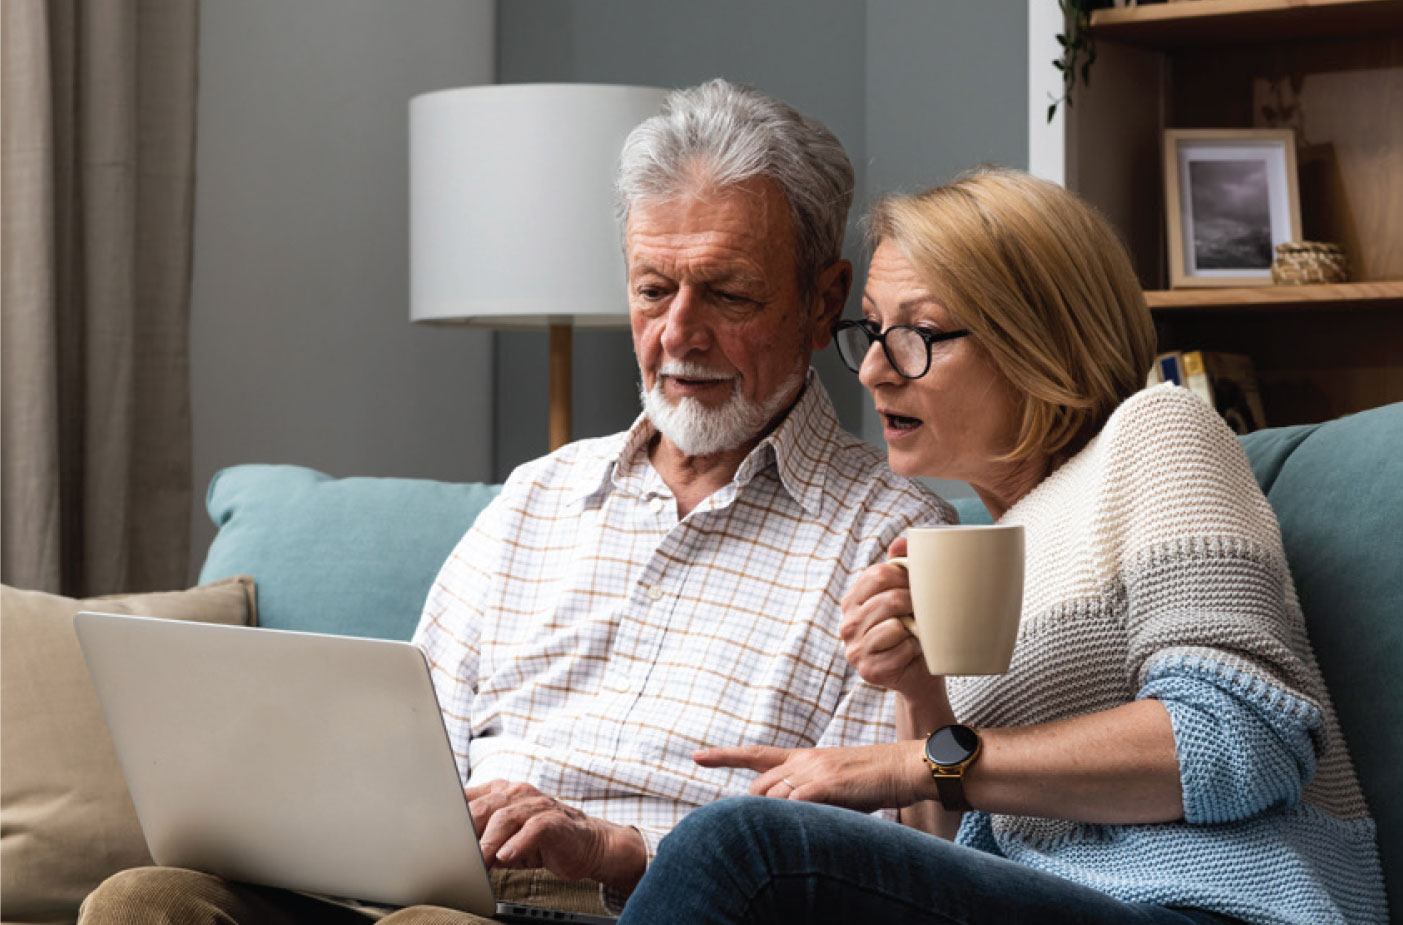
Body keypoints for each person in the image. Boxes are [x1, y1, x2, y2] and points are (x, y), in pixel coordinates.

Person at [78, 80, 952, 925]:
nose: (678, 333)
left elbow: (853, 858)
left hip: (637, 903)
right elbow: (407, 751)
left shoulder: (888, 536)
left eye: (726, 293)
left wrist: (616, 850)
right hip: (434, 884)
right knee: (143, 902)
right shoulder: (541, 495)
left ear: (820, 300)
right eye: (653, 289)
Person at [618, 168, 1387, 924]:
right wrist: (921, 690)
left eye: (917, 333)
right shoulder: (977, 552)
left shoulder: (1155, 436)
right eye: (874, 333)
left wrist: (903, 762)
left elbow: (1241, 740)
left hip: (1212, 902)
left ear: (1035, 339)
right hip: (1056, 901)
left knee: (741, 844)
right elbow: (955, 859)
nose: (877, 371)